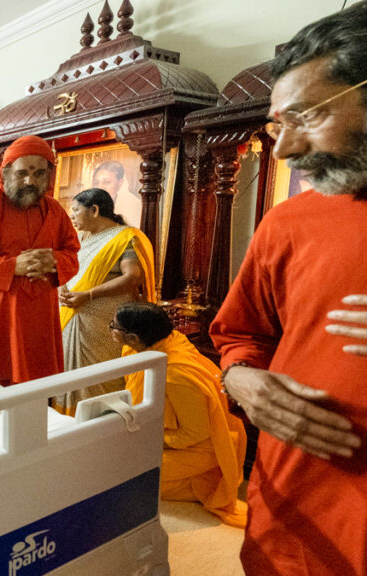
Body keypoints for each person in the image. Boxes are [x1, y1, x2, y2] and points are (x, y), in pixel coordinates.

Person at [209, 5, 367, 574]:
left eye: (305, 116)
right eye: (279, 124)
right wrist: (241, 379)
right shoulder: (288, 221)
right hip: (295, 507)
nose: (283, 150)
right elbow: (239, 333)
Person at [0, 135, 80, 386]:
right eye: (23, 173)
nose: (31, 181)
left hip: (39, 313)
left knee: (39, 385)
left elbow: (72, 254)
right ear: (6, 171)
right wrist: (11, 267)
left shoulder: (55, 211)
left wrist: (54, 261)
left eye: (40, 173)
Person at [114, 302, 247, 527]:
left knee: (122, 473)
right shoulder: (159, 344)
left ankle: (200, 482)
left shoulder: (175, 372)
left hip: (202, 448)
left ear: (133, 337)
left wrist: (151, 439)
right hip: (173, 439)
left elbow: (197, 433)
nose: (111, 330)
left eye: (113, 326)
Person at [53, 188, 155, 414]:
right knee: (69, 374)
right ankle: (68, 422)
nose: (72, 216)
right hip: (73, 316)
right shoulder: (81, 238)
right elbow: (66, 268)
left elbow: (132, 277)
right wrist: (62, 287)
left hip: (103, 322)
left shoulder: (125, 237)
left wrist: (89, 295)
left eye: (76, 211)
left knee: (99, 376)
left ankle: (101, 424)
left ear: (95, 210)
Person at [91, 160, 141, 225]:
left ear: (120, 183)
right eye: (96, 182)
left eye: (106, 182)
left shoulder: (134, 206)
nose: (100, 187)